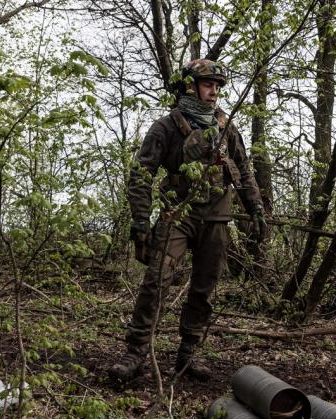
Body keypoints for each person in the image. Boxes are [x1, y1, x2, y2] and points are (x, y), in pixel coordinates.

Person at [108, 59, 267, 381]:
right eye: (209, 84)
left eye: (218, 86)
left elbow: (244, 171)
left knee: (204, 288)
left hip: (217, 217)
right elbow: (141, 174)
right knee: (156, 281)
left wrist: (257, 209)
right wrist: (141, 219)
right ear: (190, 86)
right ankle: (136, 352)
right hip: (176, 214)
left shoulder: (227, 127)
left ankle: (188, 353)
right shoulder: (166, 127)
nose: (215, 92)